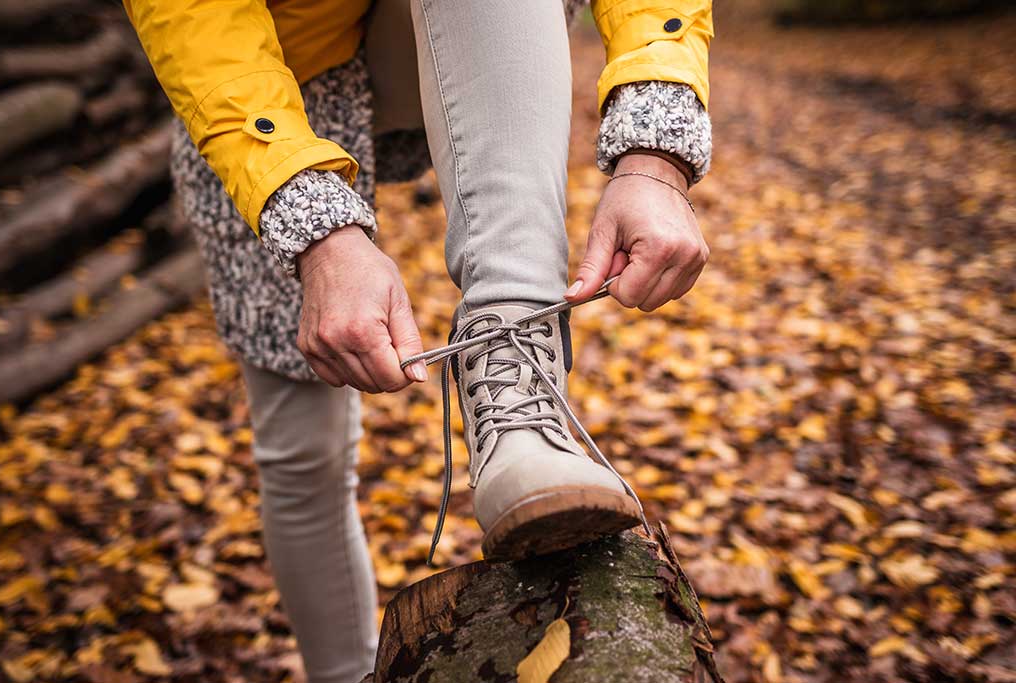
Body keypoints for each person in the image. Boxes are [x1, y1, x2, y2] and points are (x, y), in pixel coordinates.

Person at [122, 0, 713, 680]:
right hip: (261, 71)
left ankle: (515, 378)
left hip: (483, 30)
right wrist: (315, 235)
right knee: (301, 449)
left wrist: (655, 156)